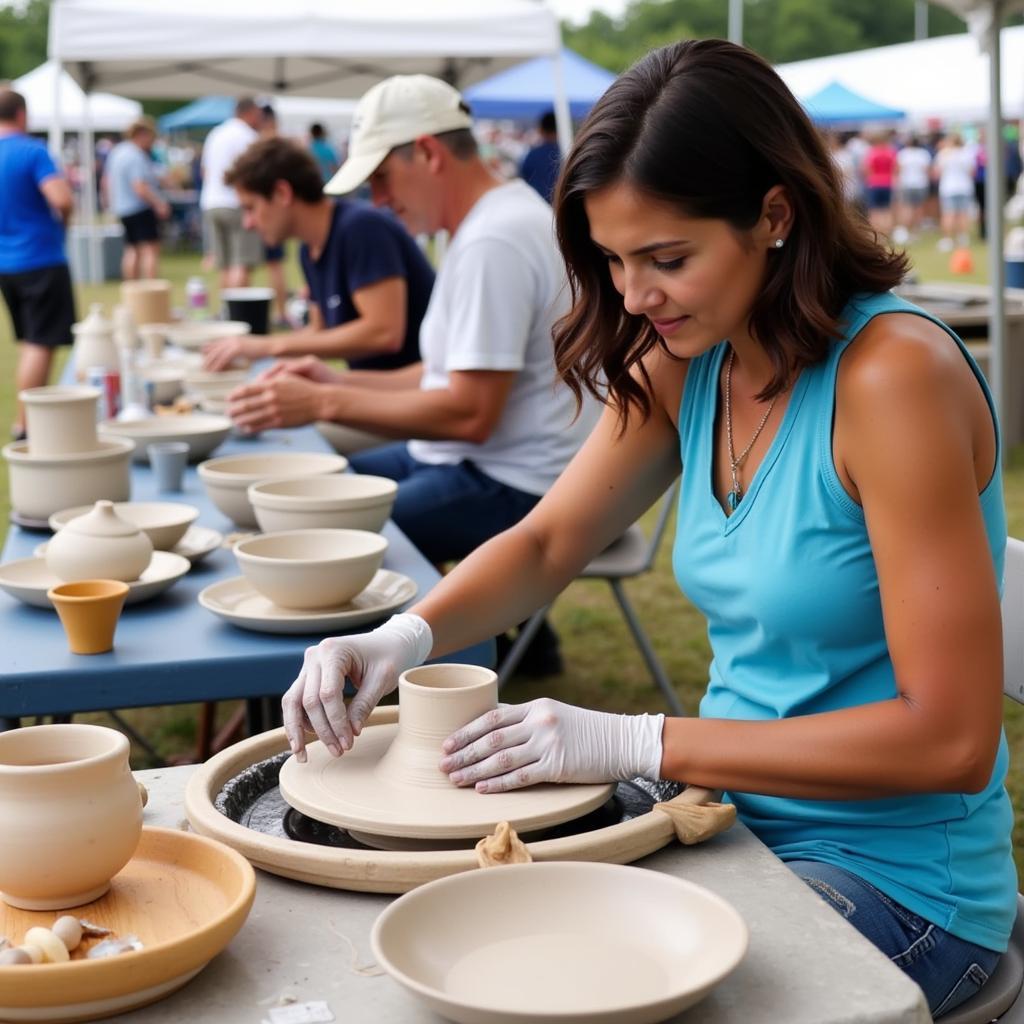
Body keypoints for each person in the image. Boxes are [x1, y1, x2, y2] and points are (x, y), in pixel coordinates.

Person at [281, 40, 1015, 1019]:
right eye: (614, 260)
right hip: (723, 822)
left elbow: (950, 740)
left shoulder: (893, 380)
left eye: (666, 258)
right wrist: (398, 635)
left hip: (901, 887)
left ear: (774, 215)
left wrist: (638, 739)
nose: (632, 296)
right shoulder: (692, 357)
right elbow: (547, 543)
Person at [229, 74, 598, 672]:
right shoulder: (486, 225)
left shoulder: (493, 240)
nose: (377, 200)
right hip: (484, 463)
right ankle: (490, 647)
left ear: (426, 153)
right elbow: (438, 377)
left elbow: (469, 414)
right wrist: (334, 382)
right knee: (323, 488)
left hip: (517, 483)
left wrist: (321, 405)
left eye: (379, 178)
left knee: (331, 536)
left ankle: (334, 690)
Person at [203, 136, 433, 373]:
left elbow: (384, 333)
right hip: (376, 392)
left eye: (251, 207)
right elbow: (319, 332)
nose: (248, 223)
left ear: (283, 193)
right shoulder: (309, 249)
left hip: (417, 397)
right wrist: (258, 361)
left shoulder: (360, 228)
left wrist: (267, 346)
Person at [0, 89, 75, 441]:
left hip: (7, 265)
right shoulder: (32, 150)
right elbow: (61, 197)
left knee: (31, 341)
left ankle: (27, 423)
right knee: (39, 344)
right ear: (22, 115)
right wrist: (65, 221)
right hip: (40, 258)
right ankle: (25, 426)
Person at [199, 97, 264, 288]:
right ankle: (239, 311)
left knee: (224, 265)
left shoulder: (215, 133)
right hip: (236, 205)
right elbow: (253, 174)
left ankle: (227, 312)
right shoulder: (247, 136)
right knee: (242, 263)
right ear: (249, 112)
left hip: (211, 203)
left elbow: (205, 172)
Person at [102, 116, 170, 280]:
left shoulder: (117, 152)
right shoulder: (135, 155)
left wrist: (109, 204)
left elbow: (106, 181)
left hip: (122, 209)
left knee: (131, 249)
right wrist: (159, 203)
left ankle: (131, 289)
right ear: (142, 134)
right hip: (139, 208)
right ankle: (151, 287)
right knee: (150, 249)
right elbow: (140, 187)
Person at [257, 104, 289, 326]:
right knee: (275, 265)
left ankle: (280, 311)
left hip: (270, 213)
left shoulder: (261, 147)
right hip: (272, 211)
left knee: (273, 265)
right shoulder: (280, 146)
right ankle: (280, 311)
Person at [519, 110, 562, 203]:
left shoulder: (532, 155)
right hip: (560, 206)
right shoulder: (565, 154)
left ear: (541, 129)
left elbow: (523, 179)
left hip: (536, 205)